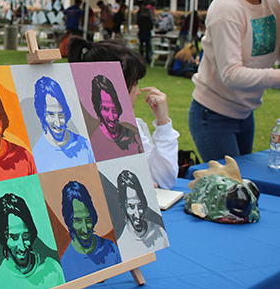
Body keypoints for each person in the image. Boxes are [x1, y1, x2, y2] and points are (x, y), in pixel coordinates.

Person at [189, 0, 280, 163]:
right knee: (232, 188)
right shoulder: (227, 9)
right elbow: (231, 74)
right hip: (213, 116)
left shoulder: (273, 4)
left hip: (245, 114)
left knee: (244, 186)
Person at [68, 38, 179, 190]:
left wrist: (163, 122)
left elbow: (163, 179)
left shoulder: (128, 130)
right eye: (134, 84)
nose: (138, 92)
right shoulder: (75, 135)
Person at [0, 193, 64, 289]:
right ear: (3, 237)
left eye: (25, 236)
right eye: (14, 237)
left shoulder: (53, 269)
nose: (22, 247)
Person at [60, 181, 121, 282]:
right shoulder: (66, 264)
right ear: (69, 222)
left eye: (88, 220)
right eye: (78, 221)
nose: (85, 229)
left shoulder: (111, 248)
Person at [32, 76, 94, 173]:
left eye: (61, 114)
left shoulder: (84, 145)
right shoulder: (37, 154)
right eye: (51, 114)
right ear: (42, 115)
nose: (58, 123)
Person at [89, 74, 143, 161]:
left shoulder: (132, 136)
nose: (112, 117)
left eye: (114, 109)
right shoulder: (94, 142)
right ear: (98, 110)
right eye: (105, 109)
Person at [117, 170, 167, 249]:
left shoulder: (159, 233)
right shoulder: (122, 245)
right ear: (123, 207)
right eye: (131, 207)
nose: (137, 215)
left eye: (140, 206)